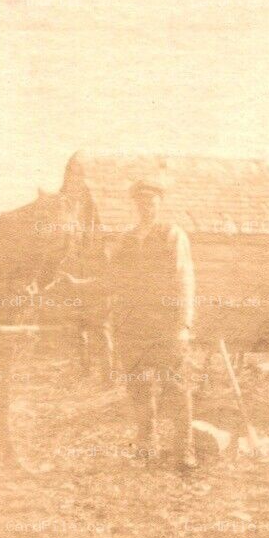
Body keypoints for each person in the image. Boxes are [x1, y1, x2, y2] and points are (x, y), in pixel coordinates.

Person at [108, 174, 197, 469]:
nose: (146, 206)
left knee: (175, 387)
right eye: (141, 201)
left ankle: (184, 451)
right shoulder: (126, 239)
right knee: (138, 388)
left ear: (160, 203)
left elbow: (184, 278)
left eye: (152, 201)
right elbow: (113, 280)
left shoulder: (172, 234)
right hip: (132, 325)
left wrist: (183, 324)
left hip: (165, 324)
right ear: (135, 204)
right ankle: (147, 447)